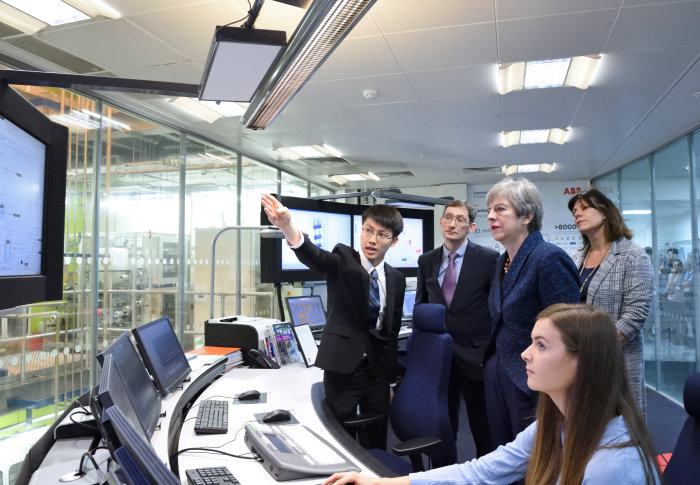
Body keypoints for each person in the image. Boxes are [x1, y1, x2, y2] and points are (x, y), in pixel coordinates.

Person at [323, 304, 661, 485]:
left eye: (540, 346)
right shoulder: (555, 425)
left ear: (582, 361)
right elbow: (479, 474)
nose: (525, 354)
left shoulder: (614, 467)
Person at [261, 194, 405, 450]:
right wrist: (286, 226)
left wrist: (391, 381)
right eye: (368, 230)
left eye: (381, 235)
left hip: (377, 373)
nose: (372, 239)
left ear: (393, 242)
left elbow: (390, 332)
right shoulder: (343, 262)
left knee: (377, 437)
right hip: (343, 369)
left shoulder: (395, 278)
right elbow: (314, 255)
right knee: (341, 438)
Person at [483, 177, 579, 449]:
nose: (491, 215)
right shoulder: (502, 261)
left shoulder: (548, 257)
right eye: (489, 210)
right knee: (504, 454)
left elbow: (570, 331)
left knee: (536, 462)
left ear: (526, 215)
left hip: (532, 379)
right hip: (499, 370)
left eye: (500, 209)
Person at [415, 200, 498, 457]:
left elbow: (495, 308)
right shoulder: (426, 260)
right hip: (439, 358)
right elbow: (422, 305)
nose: (453, 223)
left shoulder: (488, 259)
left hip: (476, 356)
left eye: (460, 219)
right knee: (442, 425)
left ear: (471, 227)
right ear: (441, 222)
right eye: (449, 217)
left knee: (483, 427)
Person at [568, 188, 654, 417]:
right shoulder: (576, 258)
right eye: (575, 211)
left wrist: (594, 351)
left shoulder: (632, 255)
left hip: (616, 359)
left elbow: (635, 315)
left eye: (585, 208)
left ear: (605, 212)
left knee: (619, 431)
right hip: (579, 361)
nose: (577, 214)